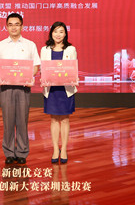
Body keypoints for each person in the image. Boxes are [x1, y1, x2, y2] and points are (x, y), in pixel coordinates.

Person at [0, 13, 40, 165]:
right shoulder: (0, 45)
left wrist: (29, 76)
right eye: (10, 25)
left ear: (22, 26)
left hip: (23, 87)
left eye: (16, 24)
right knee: (8, 120)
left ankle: (22, 152)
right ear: (6, 27)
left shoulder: (30, 45)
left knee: (22, 120)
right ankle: (9, 152)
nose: (13, 27)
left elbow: (36, 66)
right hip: (6, 88)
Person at [41, 21, 78, 164]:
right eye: (55, 31)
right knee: (54, 119)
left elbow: (73, 68)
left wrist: (73, 78)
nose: (58, 34)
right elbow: (43, 69)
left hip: (65, 89)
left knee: (65, 119)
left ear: (65, 34)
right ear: (51, 33)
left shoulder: (71, 49)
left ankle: (64, 150)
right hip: (51, 89)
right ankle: (56, 149)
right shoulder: (45, 50)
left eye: (61, 32)